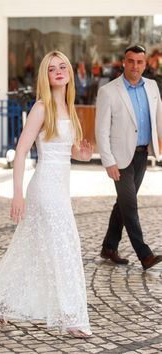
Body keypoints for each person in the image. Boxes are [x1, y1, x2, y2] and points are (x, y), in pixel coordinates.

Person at [0, 50, 93, 338]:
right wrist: (17, 194)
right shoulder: (41, 108)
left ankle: (3, 301)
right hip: (44, 188)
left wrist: (82, 154)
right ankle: (71, 317)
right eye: (52, 68)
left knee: (32, 250)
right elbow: (20, 152)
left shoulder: (69, 107)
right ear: (46, 75)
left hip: (60, 188)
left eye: (62, 66)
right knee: (65, 246)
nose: (58, 71)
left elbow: (68, 151)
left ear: (69, 73)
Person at [95, 44, 162, 270]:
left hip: (143, 154)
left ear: (145, 64)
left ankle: (109, 247)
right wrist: (108, 161)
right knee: (130, 205)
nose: (135, 66)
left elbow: (159, 119)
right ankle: (145, 254)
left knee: (122, 204)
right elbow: (101, 130)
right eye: (130, 61)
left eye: (139, 62)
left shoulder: (152, 87)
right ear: (124, 62)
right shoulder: (109, 91)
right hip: (120, 159)